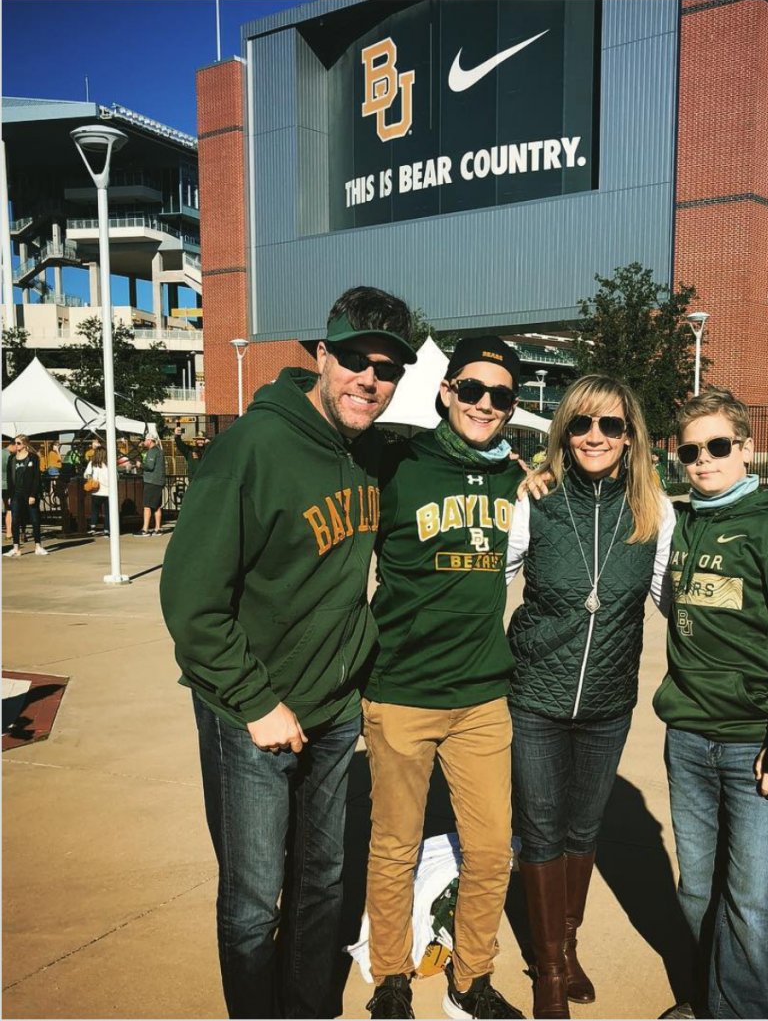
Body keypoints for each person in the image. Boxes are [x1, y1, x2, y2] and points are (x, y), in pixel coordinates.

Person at [160, 286, 417, 1019]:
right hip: (255, 714)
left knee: (324, 882)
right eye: (357, 361)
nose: (371, 380)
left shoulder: (370, 448)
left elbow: (440, 453)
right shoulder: (252, 449)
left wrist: (515, 471)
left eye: (389, 368)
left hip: (334, 710)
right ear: (322, 354)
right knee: (251, 898)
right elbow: (191, 603)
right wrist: (254, 702)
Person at [655, 388, 768, 1020]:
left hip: (752, 746)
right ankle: (709, 1003)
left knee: (750, 897)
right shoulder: (684, 522)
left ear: (746, 447)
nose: (704, 460)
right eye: (690, 451)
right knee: (698, 887)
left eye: (718, 446)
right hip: (687, 739)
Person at [362, 337, 526, 1021]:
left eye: (501, 396)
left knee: (491, 848)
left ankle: (471, 978)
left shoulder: (516, 477)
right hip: (401, 691)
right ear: (445, 391)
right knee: (394, 845)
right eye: (472, 389)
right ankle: (392, 977)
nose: (484, 404)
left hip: (483, 695)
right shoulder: (394, 465)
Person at [504, 376, 675, 1019]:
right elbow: (485, 575)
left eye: (609, 425)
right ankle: (549, 973)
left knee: (584, 827)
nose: (594, 437)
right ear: (564, 434)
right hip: (536, 698)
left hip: (608, 701)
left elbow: (675, 602)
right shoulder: (537, 502)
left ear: (630, 436)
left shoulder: (655, 511)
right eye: (580, 425)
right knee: (541, 829)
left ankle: (567, 945)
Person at [4, 436, 48, 557]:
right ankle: (16, 547)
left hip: (29, 494)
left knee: (35, 519)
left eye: (18, 443)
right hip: (16, 494)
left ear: (25, 444)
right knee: (15, 520)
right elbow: (9, 478)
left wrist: (33, 494)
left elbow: (36, 478)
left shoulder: (33, 458)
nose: (16, 445)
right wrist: (9, 495)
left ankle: (38, 546)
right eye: (14, 443)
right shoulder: (11, 458)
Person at [138, 435, 165, 536]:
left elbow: (149, 466)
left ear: (150, 440)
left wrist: (140, 465)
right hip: (159, 481)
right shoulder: (159, 450)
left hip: (152, 481)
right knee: (157, 506)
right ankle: (157, 528)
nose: (144, 442)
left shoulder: (152, 451)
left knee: (147, 506)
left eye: (145, 440)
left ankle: (145, 529)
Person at [83, 446, 112, 535]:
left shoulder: (92, 463)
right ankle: (107, 529)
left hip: (96, 491)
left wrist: (91, 478)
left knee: (95, 510)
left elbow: (86, 475)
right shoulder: (109, 464)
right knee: (108, 512)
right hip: (108, 492)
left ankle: (93, 527)